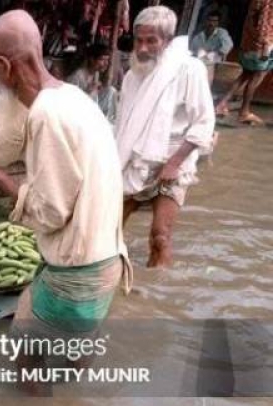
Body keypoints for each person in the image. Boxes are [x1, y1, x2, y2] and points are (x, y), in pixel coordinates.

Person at [0, 10, 131, 366]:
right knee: (74, 357)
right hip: (106, 259)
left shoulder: (46, 115)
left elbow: (50, 212)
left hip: (77, 272)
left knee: (28, 364)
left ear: (4, 67)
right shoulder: (74, 97)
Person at [117, 6, 215, 268]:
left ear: (168, 41)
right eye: (139, 40)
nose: (143, 48)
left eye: (152, 41)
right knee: (109, 227)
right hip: (134, 161)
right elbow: (123, 125)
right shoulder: (131, 76)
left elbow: (204, 122)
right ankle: (108, 276)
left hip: (174, 160)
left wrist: (173, 163)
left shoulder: (189, 69)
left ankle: (152, 291)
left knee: (160, 236)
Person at [214, 0, 273, 125]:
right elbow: (264, 25)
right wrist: (266, 46)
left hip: (248, 43)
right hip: (261, 45)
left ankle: (221, 104)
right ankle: (244, 112)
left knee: (246, 74)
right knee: (258, 75)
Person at [67, 42, 118, 123]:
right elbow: (68, 101)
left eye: (107, 60)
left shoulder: (96, 73)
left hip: (91, 109)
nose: (106, 63)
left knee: (111, 91)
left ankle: (109, 123)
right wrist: (89, 90)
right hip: (77, 114)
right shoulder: (77, 76)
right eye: (102, 60)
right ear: (92, 59)